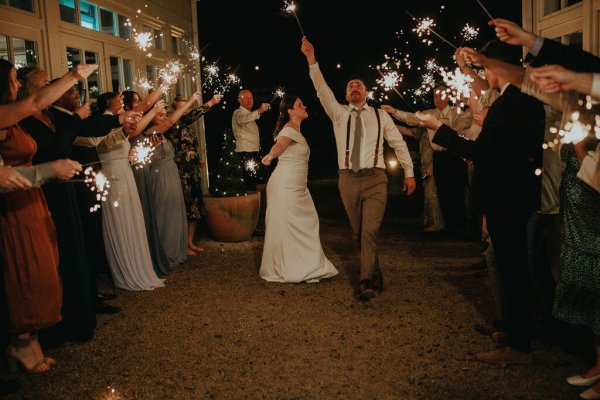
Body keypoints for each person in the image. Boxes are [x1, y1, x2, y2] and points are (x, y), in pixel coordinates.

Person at [416, 41, 545, 365]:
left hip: (507, 199)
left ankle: (518, 346)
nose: (483, 74)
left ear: (498, 67)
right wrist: (467, 67)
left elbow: (479, 151)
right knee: (511, 270)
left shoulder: (509, 105)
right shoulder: (520, 99)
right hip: (516, 197)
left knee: (513, 272)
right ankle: (516, 331)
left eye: (486, 67)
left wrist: (439, 129)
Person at [301, 37, 415, 300]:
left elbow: (398, 143)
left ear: (366, 92)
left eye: (359, 86)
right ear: (346, 95)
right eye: (351, 86)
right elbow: (321, 89)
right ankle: (374, 271)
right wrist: (311, 59)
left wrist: (409, 174)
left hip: (376, 179)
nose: (355, 88)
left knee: (370, 230)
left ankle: (365, 282)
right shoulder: (339, 114)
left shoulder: (381, 115)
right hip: (348, 179)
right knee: (357, 232)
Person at [0, 59, 82, 373]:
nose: (18, 83)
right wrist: (72, 76)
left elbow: (36, 100)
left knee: (44, 271)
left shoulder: (16, 119)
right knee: (26, 273)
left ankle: (32, 342)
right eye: (12, 79)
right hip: (15, 208)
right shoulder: (3, 117)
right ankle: (20, 346)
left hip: (33, 201)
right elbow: (35, 99)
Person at [17, 67, 96, 346]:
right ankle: (57, 325)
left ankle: (80, 314)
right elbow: (54, 149)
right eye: (43, 84)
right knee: (56, 255)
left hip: (62, 184)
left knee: (73, 248)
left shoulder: (48, 116)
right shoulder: (26, 120)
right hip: (46, 189)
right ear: (28, 90)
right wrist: (74, 120)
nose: (50, 86)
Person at [259, 96, 338, 283]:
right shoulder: (288, 130)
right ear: (291, 112)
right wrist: (271, 154)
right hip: (285, 187)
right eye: (299, 105)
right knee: (288, 227)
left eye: (303, 103)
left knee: (306, 222)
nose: (304, 106)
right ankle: (289, 268)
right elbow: (280, 145)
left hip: (298, 187)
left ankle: (306, 266)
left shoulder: (297, 130)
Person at [132, 93, 202, 274]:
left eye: (164, 113)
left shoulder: (165, 133)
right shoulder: (148, 134)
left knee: (175, 213)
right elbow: (171, 121)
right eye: (160, 114)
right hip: (159, 177)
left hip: (173, 176)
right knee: (162, 214)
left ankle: (177, 251)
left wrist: (191, 103)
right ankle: (164, 254)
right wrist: (191, 102)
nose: (164, 117)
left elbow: (173, 121)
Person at [170, 94, 222, 255]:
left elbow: (190, 147)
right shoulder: (175, 124)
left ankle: (190, 242)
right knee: (185, 207)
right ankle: (182, 245)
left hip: (192, 171)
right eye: (182, 108)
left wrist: (197, 159)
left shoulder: (189, 128)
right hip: (181, 172)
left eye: (187, 107)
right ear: (174, 111)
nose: (186, 111)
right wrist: (210, 103)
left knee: (195, 207)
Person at [232, 89, 271, 190]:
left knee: (253, 181)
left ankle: (254, 203)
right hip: (245, 153)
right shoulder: (238, 112)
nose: (249, 101)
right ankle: (249, 204)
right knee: (249, 183)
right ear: (239, 100)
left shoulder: (249, 115)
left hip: (252, 152)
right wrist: (259, 111)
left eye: (251, 98)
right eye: (246, 98)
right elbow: (243, 119)